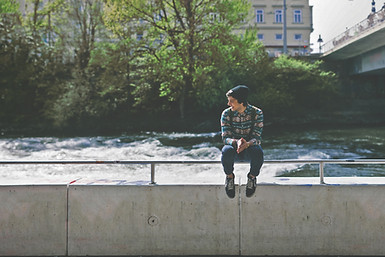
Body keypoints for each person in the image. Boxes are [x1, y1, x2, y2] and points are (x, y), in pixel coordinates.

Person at [220, 85, 264, 198]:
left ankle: (252, 178)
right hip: (234, 149)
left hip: (250, 148)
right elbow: (225, 138)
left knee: (258, 151)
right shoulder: (226, 114)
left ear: (241, 102)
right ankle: (229, 178)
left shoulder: (257, 113)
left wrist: (247, 144)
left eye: (231, 101)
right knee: (226, 150)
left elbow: (257, 138)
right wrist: (237, 142)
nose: (228, 104)